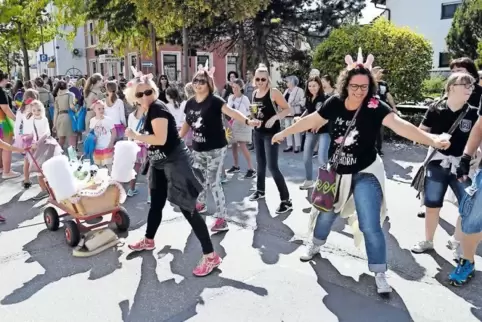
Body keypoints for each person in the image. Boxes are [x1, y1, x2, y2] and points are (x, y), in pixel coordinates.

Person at [272, 50, 450, 294]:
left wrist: (430, 139)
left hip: (366, 171)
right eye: (354, 85)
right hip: (338, 173)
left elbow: (400, 125)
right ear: (346, 84)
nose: (359, 91)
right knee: (326, 214)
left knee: (370, 225)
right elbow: (311, 119)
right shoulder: (334, 102)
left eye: (364, 86)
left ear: (371, 86)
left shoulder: (375, 105)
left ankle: (379, 272)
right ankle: (314, 244)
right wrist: (283, 133)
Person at [125, 70, 222, 277]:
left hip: (176, 163)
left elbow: (159, 139)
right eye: (140, 94)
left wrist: (135, 135)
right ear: (134, 96)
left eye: (148, 91)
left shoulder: (157, 109)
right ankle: (149, 240)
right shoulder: (148, 109)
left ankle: (211, 255)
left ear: (155, 90)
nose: (145, 96)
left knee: (189, 208)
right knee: (156, 204)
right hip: (160, 163)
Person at [180, 68, 260, 232]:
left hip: (216, 148)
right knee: (199, 179)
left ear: (208, 84)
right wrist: (176, 138)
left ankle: (222, 218)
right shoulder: (190, 103)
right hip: (198, 148)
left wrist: (247, 121)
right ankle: (200, 204)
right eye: (195, 80)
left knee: (214, 183)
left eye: (202, 81)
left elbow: (232, 112)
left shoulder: (215, 101)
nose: (197, 84)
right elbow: (187, 123)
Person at [409, 73, 477, 261]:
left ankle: (457, 241)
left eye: (472, 86)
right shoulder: (435, 109)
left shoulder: (473, 112)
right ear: (451, 87)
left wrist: (476, 151)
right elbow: (420, 133)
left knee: (468, 205)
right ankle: (428, 241)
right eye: (465, 84)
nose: (469, 89)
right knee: (432, 205)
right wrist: (435, 141)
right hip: (436, 163)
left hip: (462, 167)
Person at [248, 63, 293, 214]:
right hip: (258, 132)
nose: (260, 82)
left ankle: (286, 200)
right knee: (260, 163)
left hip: (272, 134)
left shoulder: (273, 92)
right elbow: (256, 113)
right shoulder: (254, 93)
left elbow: (288, 109)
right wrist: (252, 119)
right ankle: (260, 190)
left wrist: (274, 118)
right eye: (258, 79)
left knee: (272, 167)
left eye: (263, 79)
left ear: (268, 80)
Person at [297, 76, 328, 190]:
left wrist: (307, 121)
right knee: (306, 155)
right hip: (311, 129)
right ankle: (309, 180)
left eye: (314, 85)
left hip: (324, 130)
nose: (312, 88)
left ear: (319, 86)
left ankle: (325, 183)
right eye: (310, 86)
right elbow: (308, 110)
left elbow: (318, 113)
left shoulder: (323, 98)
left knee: (322, 158)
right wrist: (301, 118)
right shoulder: (309, 97)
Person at [225, 78, 256, 178]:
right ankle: (236, 165)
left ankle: (251, 168)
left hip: (243, 122)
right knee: (234, 145)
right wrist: (232, 101)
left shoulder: (245, 98)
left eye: (236, 88)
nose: (234, 90)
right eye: (233, 87)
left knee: (242, 145)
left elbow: (248, 111)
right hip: (233, 122)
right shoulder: (230, 98)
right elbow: (228, 110)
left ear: (241, 88)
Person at [21, 100, 51, 190]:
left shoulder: (44, 119)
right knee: (39, 170)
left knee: (45, 170)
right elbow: (34, 133)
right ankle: (43, 190)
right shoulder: (33, 120)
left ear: (42, 109)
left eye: (38, 110)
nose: (36, 112)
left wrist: (37, 143)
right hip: (36, 147)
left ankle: (49, 190)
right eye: (34, 110)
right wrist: (27, 137)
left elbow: (47, 133)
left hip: (45, 145)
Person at [0, 69, 19, 179]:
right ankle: (7, 171)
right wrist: (17, 120)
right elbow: (6, 109)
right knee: (7, 146)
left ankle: (2, 168)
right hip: (3, 122)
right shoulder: (1, 92)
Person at [89, 100, 116, 170]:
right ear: (94, 110)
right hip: (97, 147)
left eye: (103, 108)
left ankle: (111, 178)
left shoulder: (108, 120)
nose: (101, 110)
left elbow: (114, 132)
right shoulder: (92, 120)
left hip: (107, 146)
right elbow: (91, 133)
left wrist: (111, 143)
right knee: (99, 167)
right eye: (99, 109)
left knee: (109, 166)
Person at [282, 76, 305, 153]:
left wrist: (296, 104)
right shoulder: (286, 91)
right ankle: (289, 145)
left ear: (292, 82)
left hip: (295, 112)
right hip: (287, 112)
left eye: (287, 81)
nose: (286, 83)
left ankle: (297, 146)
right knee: (287, 129)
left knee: (295, 130)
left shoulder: (299, 90)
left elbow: (303, 101)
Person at [53, 81, 76, 150]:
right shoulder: (70, 95)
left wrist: (54, 124)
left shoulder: (57, 97)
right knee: (71, 139)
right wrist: (76, 111)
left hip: (60, 118)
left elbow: (55, 111)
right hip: (68, 117)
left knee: (61, 139)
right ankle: (72, 157)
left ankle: (58, 154)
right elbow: (71, 106)